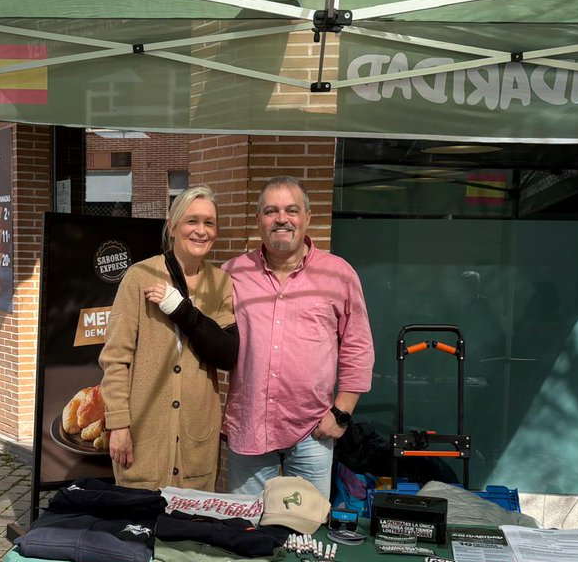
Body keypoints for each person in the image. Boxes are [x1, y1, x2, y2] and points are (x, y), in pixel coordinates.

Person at [222, 176, 374, 498]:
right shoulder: (232, 274)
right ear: (258, 220)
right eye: (271, 211)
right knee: (245, 523)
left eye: (291, 210)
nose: (281, 219)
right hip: (249, 426)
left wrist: (341, 413)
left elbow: (358, 347)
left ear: (307, 217)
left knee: (308, 524)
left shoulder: (339, 274)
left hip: (313, 430)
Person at [100, 184, 237, 490]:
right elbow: (115, 358)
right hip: (144, 436)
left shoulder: (220, 283)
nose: (201, 230)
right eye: (192, 221)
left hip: (195, 439)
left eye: (209, 223)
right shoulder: (140, 277)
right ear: (173, 226)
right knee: (139, 516)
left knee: (189, 519)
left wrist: (179, 308)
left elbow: (226, 354)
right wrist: (118, 424)